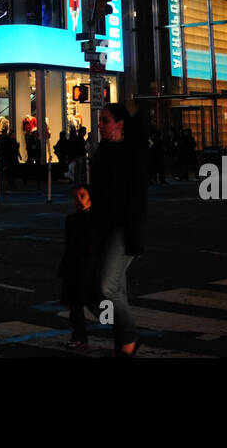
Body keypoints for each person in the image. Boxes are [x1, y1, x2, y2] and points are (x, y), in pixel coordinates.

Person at [88, 102, 149, 357]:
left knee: (107, 288)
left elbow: (137, 197)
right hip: (105, 226)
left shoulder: (132, 152)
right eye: (100, 121)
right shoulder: (102, 151)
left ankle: (129, 337)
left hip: (125, 227)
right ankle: (122, 341)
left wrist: (135, 235)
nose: (100, 125)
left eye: (105, 121)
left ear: (120, 124)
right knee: (112, 289)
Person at [59, 184, 96, 350]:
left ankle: (120, 328)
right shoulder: (71, 220)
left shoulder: (95, 219)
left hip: (88, 265)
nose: (79, 200)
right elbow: (69, 245)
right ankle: (79, 336)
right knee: (76, 305)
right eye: (75, 197)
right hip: (75, 266)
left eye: (82, 196)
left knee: (93, 303)